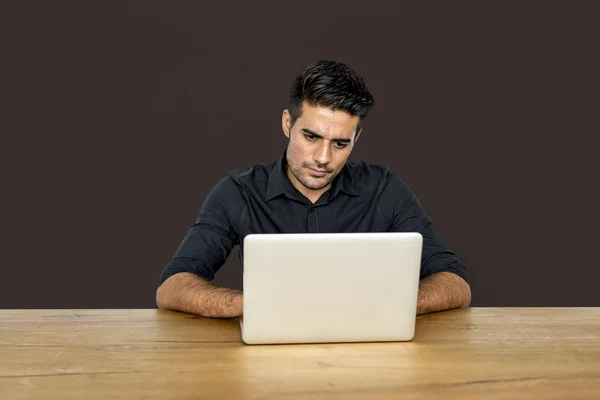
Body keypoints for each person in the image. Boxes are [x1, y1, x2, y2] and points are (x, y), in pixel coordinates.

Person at [156, 60, 471, 318]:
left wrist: (391, 305)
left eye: (340, 143)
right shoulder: (238, 192)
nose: (323, 158)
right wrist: (251, 305)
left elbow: (455, 283)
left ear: (356, 139)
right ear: (286, 124)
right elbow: (172, 286)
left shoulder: (384, 189)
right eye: (311, 137)